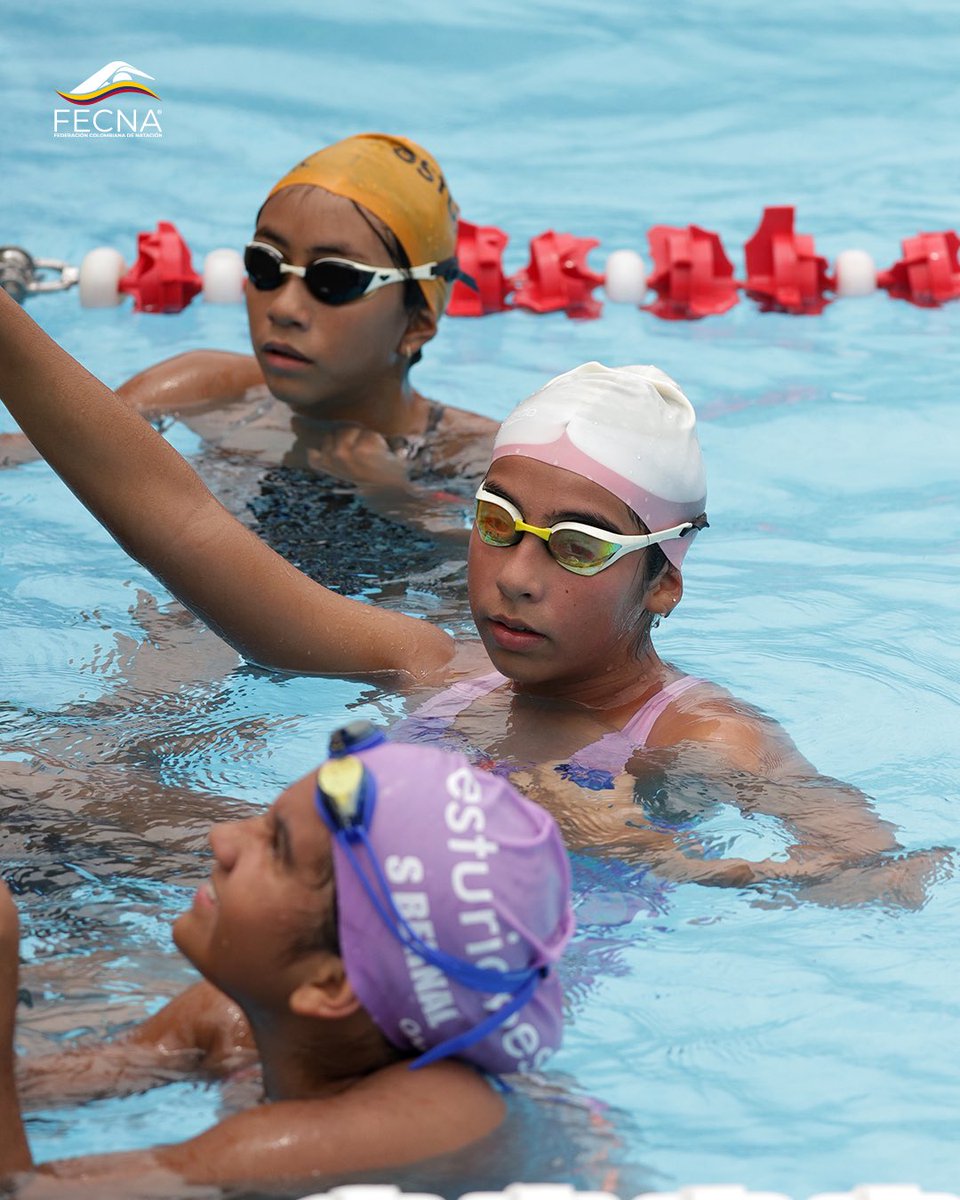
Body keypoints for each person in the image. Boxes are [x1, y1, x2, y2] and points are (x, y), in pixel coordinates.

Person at [0, 286, 943, 896]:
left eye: (575, 548)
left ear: (662, 583)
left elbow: (881, 876)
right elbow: (184, 524)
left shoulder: (697, 738)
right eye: (498, 524)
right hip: (332, 930)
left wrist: (652, 853)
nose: (518, 577)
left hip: (465, 1009)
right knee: (27, 791)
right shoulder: (432, 668)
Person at [0, 723, 575, 1190]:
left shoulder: (428, 1122)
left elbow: (23, 1191)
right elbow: (35, 1086)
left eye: (275, 847)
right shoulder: (235, 1018)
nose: (222, 839)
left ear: (329, 985)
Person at [0, 133, 496, 589]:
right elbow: (28, 450)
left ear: (417, 323)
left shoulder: (473, 459)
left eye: (335, 279)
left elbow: (506, 597)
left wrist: (394, 502)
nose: (283, 307)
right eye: (266, 266)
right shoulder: (203, 390)